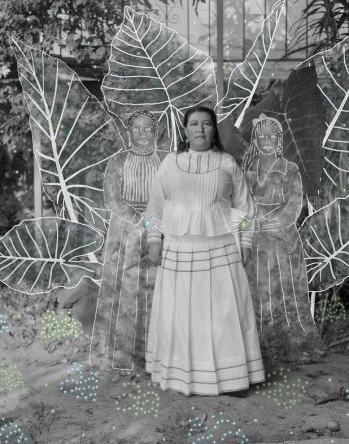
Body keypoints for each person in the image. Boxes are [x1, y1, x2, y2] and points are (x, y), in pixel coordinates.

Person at [144, 106, 265, 396]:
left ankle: (232, 379)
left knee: (223, 315)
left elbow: (245, 208)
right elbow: (154, 206)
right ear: (185, 130)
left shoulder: (227, 163)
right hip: (177, 249)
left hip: (220, 248)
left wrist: (246, 242)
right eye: (194, 124)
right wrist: (154, 238)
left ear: (214, 130)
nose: (200, 129)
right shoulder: (170, 163)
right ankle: (180, 376)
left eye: (207, 124)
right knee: (180, 314)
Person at [89, 109, 165, 370]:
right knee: (124, 289)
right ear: (128, 132)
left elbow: (173, 193)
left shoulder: (166, 160)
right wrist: (138, 219)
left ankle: (157, 351)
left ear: (156, 132)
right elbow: (111, 198)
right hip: (125, 231)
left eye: (148, 129)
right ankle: (120, 351)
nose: (142, 134)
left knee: (159, 285)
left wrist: (155, 221)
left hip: (159, 228)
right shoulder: (117, 161)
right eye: (136, 129)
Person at [241, 113, 319, 364]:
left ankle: (293, 344)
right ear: (255, 141)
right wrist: (253, 222)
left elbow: (294, 205)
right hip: (255, 242)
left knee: (285, 291)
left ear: (279, 140)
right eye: (261, 136)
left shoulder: (290, 169)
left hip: (282, 241)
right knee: (258, 291)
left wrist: (272, 222)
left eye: (271, 136)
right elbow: (242, 204)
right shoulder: (248, 171)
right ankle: (261, 345)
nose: (266, 141)